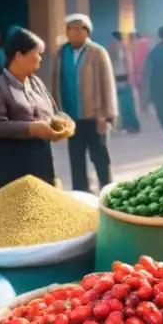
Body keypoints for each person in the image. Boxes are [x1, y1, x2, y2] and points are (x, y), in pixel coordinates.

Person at [0, 28, 67, 188]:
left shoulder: (36, 82)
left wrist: (58, 126)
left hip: (42, 159)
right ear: (19, 56)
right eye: (37, 53)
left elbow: (53, 112)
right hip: (15, 164)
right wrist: (32, 128)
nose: (40, 58)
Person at [50, 14, 118, 192]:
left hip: (95, 115)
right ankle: (81, 191)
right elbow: (56, 84)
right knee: (76, 157)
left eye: (78, 28)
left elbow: (107, 84)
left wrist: (106, 114)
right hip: (71, 117)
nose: (74, 32)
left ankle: (107, 189)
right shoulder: (60, 53)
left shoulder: (97, 52)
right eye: (70, 29)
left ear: (86, 31)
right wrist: (56, 113)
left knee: (99, 155)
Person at [108, 30, 140, 133]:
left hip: (122, 80)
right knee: (125, 105)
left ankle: (131, 125)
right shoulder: (121, 48)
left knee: (125, 105)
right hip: (121, 80)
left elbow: (127, 65)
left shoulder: (120, 49)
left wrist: (131, 79)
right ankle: (130, 125)